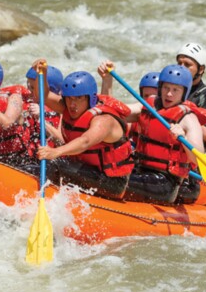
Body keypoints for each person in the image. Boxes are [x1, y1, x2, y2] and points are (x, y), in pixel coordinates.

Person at [33, 59, 135, 200]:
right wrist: (43, 74)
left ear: (90, 99)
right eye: (69, 99)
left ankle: (41, 199)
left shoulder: (103, 120)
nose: (72, 104)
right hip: (86, 169)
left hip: (111, 182)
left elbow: (85, 141)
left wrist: (56, 152)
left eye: (78, 98)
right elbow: (43, 95)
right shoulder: (69, 107)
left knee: (55, 163)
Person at [125, 64, 206, 204]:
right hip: (141, 170)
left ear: (184, 92)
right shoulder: (149, 106)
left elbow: (198, 159)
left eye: (175, 90)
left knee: (117, 180)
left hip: (164, 183)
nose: (169, 94)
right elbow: (122, 112)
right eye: (166, 88)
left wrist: (183, 137)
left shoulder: (188, 119)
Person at [176, 42, 206, 130]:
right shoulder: (167, 88)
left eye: (187, 65)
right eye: (179, 63)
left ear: (201, 69)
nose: (181, 68)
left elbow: (201, 131)